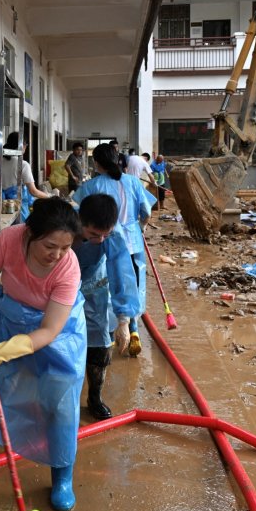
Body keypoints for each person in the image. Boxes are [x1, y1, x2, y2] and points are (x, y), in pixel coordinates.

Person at [0, 197, 85, 511]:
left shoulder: (68, 266)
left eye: (66, 247)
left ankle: (62, 475)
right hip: (7, 316)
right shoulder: (10, 238)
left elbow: (49, 331)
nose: (58, 254)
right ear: (30, 233)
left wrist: (8, 350)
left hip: (57, 331)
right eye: (50, 246)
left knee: (59, 401)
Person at [71, 143, 156, 358]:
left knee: (102, 284)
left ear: (96, 163)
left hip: (100, 242)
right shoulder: (133, 183)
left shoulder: (91, 186)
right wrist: (141, 228)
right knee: (131, 282)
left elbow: (77, 213)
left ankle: (114, 327)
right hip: (132, 240)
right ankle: (131, 328)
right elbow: (147, 212)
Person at [74, 194, 139, 420]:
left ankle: (95, 398)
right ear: (80, 222)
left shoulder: (113, 235)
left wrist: (124, 321)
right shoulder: (64, 227)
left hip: (96, 292)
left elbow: (122, 275)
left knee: (99, 349)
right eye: (93, 234)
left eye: (105, 234)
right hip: (61, 292)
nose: (100, 239)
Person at [0, 131, 50, 222]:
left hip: (2, 207)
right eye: (26, 145)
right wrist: (50, 197)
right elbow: (33, 191)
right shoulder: (22, 164)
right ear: (22, 145)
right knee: (19, 232)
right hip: (18, 208)